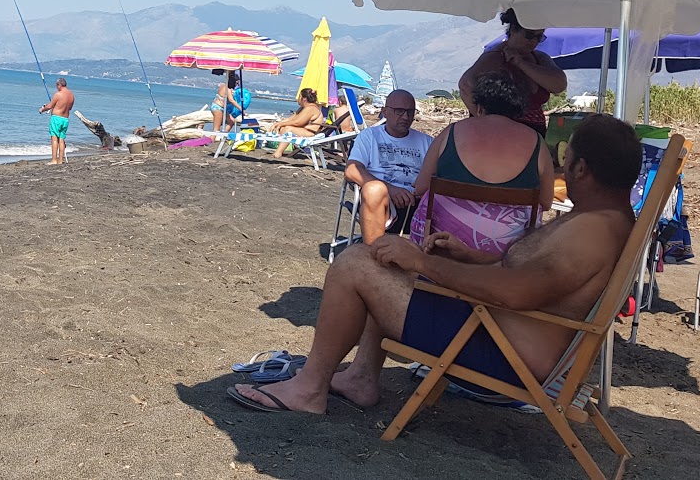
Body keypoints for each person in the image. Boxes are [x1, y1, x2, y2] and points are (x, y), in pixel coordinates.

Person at [228, 114, 643, 414]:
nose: (560, 166)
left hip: (500, 355)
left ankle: (308, 389)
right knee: (388, 259)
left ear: (582, 168)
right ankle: (358, 378)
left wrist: (421, 262)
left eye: (565, 159)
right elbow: (535, 278)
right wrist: (471, 256)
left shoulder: (593, 232)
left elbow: (517, 292)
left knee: (357, 262)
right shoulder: (604, 221)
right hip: (494, 332)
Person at [409, 73, 554, 255]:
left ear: (479, 107)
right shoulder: (537, 143)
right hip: (504, 255)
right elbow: (546, 202)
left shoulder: (451, 133)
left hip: (442, 246)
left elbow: (421, 187)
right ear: (517, 111)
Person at [344, 90, 433, 245]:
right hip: (380, 199)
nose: (405, 117)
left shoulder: (427, 142)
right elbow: (352, 170)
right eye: (399, 111)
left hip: (418, 202)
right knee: (374, 190)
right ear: (385, 112)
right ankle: (374, 254)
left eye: (410, 112)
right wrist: (390, 189)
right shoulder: (370, 136)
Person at [459, 8, 566, 135]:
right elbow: (466, 85)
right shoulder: (494, 57)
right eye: (529, 35)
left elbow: (559, 85)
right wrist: (484, 122)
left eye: (539, 37)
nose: (534, 42)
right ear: (514, 30)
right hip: (501, 134)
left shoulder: (540, 58)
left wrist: (522, 64)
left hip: (534, 133)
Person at [270, 88, 325, 159]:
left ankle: (278, 152)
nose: (298, 99)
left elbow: (297, 123)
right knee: (285, 127)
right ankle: (279, 150)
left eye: (299, 96)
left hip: (311, 133)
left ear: (304, 99)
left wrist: (280, 124)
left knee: (288, 129)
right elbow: (290, 119)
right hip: (304, 130)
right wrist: (276, 124)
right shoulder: (304, 108)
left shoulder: (311, 108)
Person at [38, 77, 75, 165]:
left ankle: (54, 160)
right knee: (61, 139)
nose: (56, 87)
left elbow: (50, 106)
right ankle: (60, 160)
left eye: (56, 86)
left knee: (54, 139)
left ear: (59, 85)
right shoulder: (71, 95)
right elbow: (69, 108)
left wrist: (42, 109)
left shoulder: (58, 94)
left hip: (56, 119)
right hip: (65, 119)